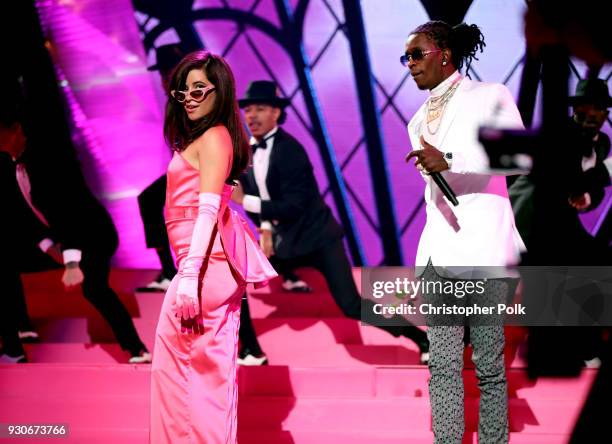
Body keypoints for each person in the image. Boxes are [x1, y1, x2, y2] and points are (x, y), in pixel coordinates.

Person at [232, 80, 430, 363]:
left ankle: (420, 338)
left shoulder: (291, 151)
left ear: (276, 113)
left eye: (260, 109)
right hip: (285, 241)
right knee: (235, 280)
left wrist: (244, 201)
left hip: (319, 238)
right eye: (248, 110)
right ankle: (251, 349)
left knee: (351, 304)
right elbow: (262, 196)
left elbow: (292, 206)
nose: (252, 116)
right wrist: (265, 228)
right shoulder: (247, 153)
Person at [404, 21, 524, 443]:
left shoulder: (489, 95)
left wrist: (450, 159)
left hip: (483, 250)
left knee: (490, 364)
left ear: (444, 54)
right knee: (442, 364)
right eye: (406, 58)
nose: (410, 65)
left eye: (416, 55)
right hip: (439, 254)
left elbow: (518, 156)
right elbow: (432, 195)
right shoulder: (417, 119)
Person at [149, 51, 277, 444]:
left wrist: (187, 275)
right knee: (193, 376)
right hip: (201, 264)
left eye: (198, 89)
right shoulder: (209, 137)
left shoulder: (215, 136)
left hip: (203, 268)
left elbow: (208, 209)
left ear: (218, 91)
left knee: (189, 377)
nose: (188, 97)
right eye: (182, 91)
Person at [0, 99, 151, 364]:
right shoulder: (11, 166)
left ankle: (137, 348)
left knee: (94, 288)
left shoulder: (48, 159)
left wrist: (70, 262)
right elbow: (22, 217)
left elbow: (67, 213)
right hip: (59, 238)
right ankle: (14, 347)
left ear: (15, 129)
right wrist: (49, 247)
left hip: (92, 234)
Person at [136, 44, 188, 292]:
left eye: (170, 72)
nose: (165, 79)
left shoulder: (191, 100)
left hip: (198, 171)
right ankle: (168, 270)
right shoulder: (173, 103)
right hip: (183, 169)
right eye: (163, 74)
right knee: (148, 200)